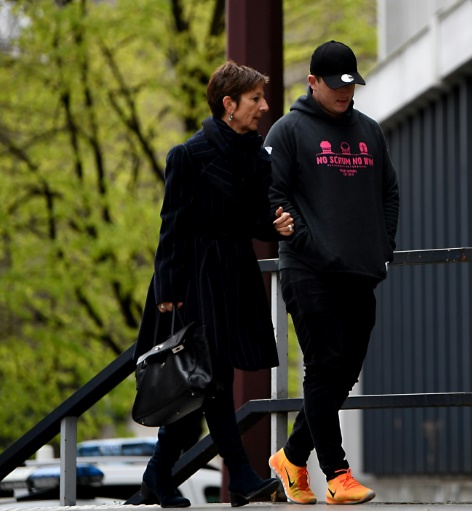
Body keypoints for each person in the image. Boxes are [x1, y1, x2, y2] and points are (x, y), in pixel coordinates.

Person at [133, 60, 293, 508]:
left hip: (235, 275)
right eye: (255, 99)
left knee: (205, 380)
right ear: (229, 105)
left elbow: (255, 220)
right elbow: (173, 227)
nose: (264, 106)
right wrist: (167, 291)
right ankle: (240, 475)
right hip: (195, 278)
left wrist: (275, 225)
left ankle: (157, 475)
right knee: (213, 376)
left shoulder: (257, 156)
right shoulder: (188, 155)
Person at [265, 40, 400, 505]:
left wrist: (383, 244)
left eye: (351, 86)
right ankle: (337, 475)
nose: (346, 94)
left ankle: (290, 456)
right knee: (323, 367)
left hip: (360, 270)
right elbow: (272, 195)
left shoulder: (369, 131)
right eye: (337, 86)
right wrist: (308, 242)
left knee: (345, 372)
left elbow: (389, 192)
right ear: (312, 82)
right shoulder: (288, 131)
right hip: (309, 270)